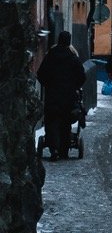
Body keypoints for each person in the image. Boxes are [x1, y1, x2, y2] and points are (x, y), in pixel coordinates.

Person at [36, 31, 86, 160]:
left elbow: (41, 74)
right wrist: (74, 86)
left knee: (51, 122)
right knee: (65, 123)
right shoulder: (73, 58)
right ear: (69, 42)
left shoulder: (50, 56)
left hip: (52, 96)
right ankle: (63, 150)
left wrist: (48, 85)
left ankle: (54, 150)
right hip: (68, 97)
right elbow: (82, 76)